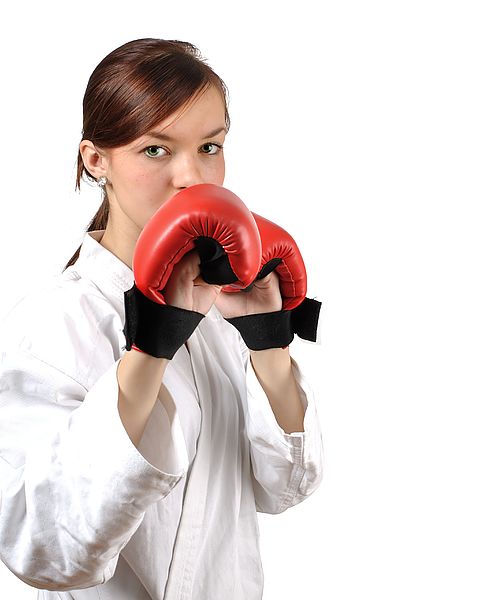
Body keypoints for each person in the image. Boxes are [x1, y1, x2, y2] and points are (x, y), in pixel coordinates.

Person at [0, 38, 323, 600]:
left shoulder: (222, 308)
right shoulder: (51, 326)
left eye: (210, 146)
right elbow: (43, 549)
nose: (191, 176)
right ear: (96, 160)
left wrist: (268, 344)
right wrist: (150, 350)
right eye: (156, 150)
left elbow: (286, 489)